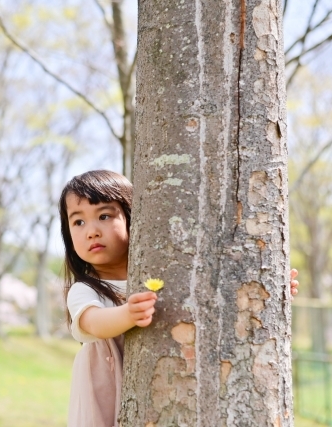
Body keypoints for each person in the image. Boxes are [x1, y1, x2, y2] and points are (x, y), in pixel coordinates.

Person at [59, 169, 299, 427]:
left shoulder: (159, 273)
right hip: (103, 391)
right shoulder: (85, 289)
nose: (92, 231)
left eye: (104, 216)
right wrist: (127, 314)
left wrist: (265, 289)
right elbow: (93, 322)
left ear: (132, 217)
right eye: (78, 222)